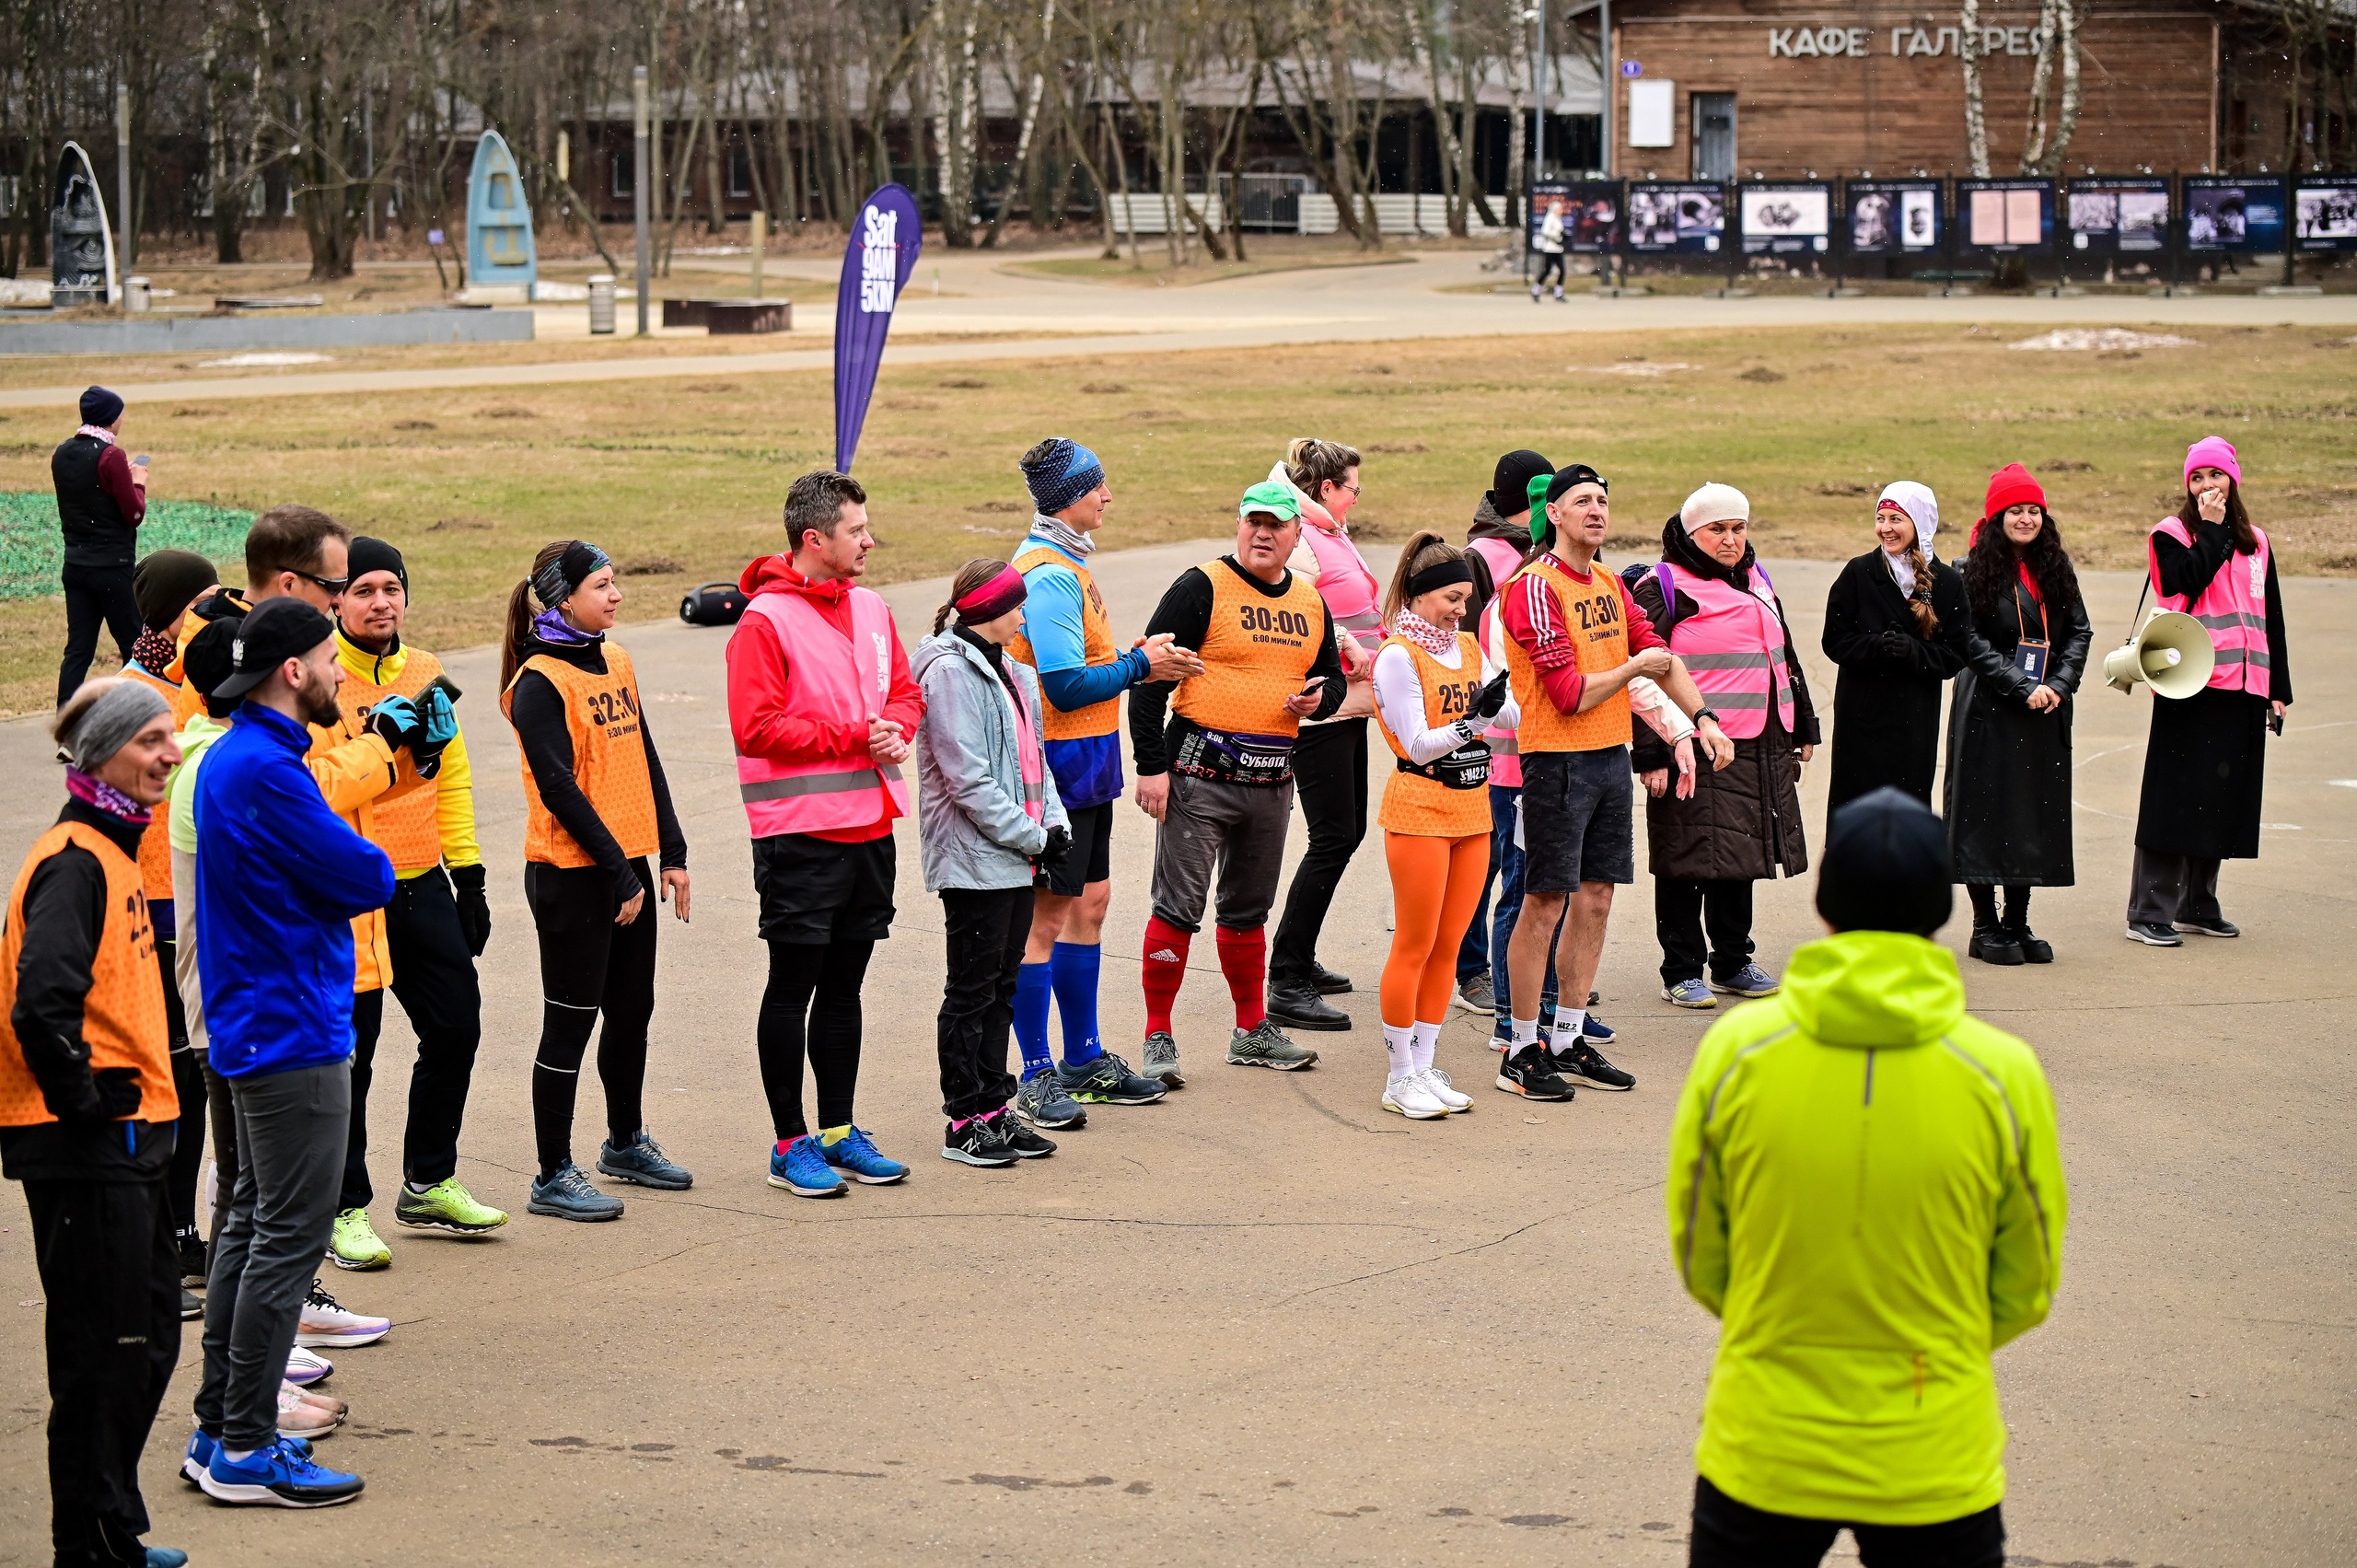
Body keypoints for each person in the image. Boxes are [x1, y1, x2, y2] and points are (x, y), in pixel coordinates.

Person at [1666, 787, 2067, 1568]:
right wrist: (1934, 1341)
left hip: (1768, 1442)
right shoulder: (2002, 1073)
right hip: (1935, 1448)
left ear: (1823, 904)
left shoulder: (1737, 1051)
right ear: (1941, 911)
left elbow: (1702, 1253)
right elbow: (2026, 1283)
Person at [189, 596, 397, 1508]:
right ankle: (242, 1442)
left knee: (248, 1223)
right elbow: (366, 874)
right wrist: (346, 858)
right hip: (287, 1026)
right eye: (328, 657)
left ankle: (220, 1426)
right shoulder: (268, 768)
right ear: (292, 672)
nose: (343, 671)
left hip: (257, 1017)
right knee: (283, 1234)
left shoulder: (247, 755)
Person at [2, 679, 191, 1568]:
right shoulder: (74, 859)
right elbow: (42, 1002)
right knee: (98, 1353)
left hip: (133, 1135)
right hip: (86, 1146)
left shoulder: (116, 848)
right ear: (105, 751)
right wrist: (85, 1100)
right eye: (152, 739)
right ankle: (83, 1543)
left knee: (148, 1334)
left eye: (172, 737)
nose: (170, 754)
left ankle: (112, 1520)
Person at [1498, 464, 1730, 1099]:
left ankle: (1568, 1037)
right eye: (1583, 501)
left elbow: (1662, 653)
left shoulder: (1605, 579)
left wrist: (1703, 718)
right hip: (1556, 760)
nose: (1598, 510)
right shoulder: (1534, 587)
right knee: (1545, 902)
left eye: (1604, 499)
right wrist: (1634, 668)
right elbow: (1568, 693)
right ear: (1555, 515)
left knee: (1597, 899)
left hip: (1608, 758)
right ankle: (1520, 1048)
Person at [727, 470, 920, 1200]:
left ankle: (840, 1131)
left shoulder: (872, 606)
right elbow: (756, 726)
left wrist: (899, 729)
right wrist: (854, 736)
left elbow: (904, 690)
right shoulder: (763, 621)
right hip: (799, 833)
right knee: (793, 987)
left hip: (870, 824)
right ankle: (789, 1142)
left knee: (845, 988)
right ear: (815, 539)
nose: (869, 540)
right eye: (856, 530)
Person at [1004, 438, 1201, 1114]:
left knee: (1090, 904)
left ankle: (1083, 1054)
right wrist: (1143, 667)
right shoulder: (1051, 573)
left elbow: (1084, 662)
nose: (1108, 495)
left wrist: (1133, 654)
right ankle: (1035, 1070)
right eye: (1098, 486)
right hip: (1058, 770)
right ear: (1069, 497)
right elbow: (1062, 684)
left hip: (1088, 767)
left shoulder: (1068, 561)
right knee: (1046, 918)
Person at [326, 538, 506, 1264]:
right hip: (345, 888)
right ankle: (343, 1206)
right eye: (364, 589)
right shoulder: (315, 675)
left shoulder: (426, 669)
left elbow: (452, 778)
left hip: (420, 879)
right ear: (336, 599)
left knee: (457, 1025)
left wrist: (470, 877)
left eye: (391, 588)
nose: (380, 602)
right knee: (353, 1054)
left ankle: (428, 1180)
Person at [1129, 482, 1347, 1078]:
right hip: (1197, 776)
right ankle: (1158, 1036)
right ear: (1239, 525)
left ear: (1297, 535)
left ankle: (1250, 1029)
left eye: (1276, 525)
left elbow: (1332, 674)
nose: (1262, 533)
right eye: (1253, 521)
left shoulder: (1308, 602)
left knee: (1248, 911)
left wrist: (1322, 696)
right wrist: (1151, 767)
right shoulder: (1201, 586)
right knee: (1178, 907)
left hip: (1272, 782)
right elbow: (1148, 677)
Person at [503, 540, 693, 1221]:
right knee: (569, 1024)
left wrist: (669, 851)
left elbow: (644, 755)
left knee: (632, 1012)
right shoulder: (538, 682)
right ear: (563, 597)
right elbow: (560, 791)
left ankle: (624, 1141)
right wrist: (618, 874)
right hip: (572, 877)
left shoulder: (615, 656)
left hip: (627, 869)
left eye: (615, 583)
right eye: (603, 585)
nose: (615, 595)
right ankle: (552, 1171)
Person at [1631, 484, 1820, 1010]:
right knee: (1685, 854)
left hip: (1758, 740)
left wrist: (1802, 725)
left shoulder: (1758, 579)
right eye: (1718, 530)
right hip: (1690, 744)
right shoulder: (1663, 586)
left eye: (1739, 528)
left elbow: (1783, 654)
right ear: (1691, 534)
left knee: (1742, 852)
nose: (1731, 540)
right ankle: (1682, 967)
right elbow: (1644, 673)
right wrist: (1653, 753)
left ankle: (1733, 961)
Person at [912, 560, 1069, 1167]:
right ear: (986, 608)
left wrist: (1053, 827)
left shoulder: (1013, 671)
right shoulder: (951, 671)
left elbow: (1036, 761)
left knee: (1003, 986)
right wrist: (1034, 836)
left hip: (1018, 853)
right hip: (977, 859)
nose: (1024, 615)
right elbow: (967, 780)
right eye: (1016, 605)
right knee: (972, 989)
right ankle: (964, 1119)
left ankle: (995, 1108)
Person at [2126, 437, 2293, 946]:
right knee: (2173, 796)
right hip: (2190, 681)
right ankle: (2149, 909)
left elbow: (2272, 619)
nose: (2206, 487)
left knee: (2221, 796)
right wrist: (2214, 530)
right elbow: (2183, 584)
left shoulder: (2257, 541)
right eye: (2197, 479)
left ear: (2232, 480)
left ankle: (2198, 904)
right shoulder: (2170, 534)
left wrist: (2278, 689)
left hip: (2245, 685)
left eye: (2214, 476)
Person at [1367, 534, 1510, 1119]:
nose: (1460, 609)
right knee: (1415, 943)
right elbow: (1420, 745)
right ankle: (1399, 1075)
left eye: (1467, 599)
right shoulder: (1398, 655)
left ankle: (1425, 1064)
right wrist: (1474, 720)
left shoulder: (1472, 646)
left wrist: (1520, 703)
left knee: (1449, 945)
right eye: (1452, 598)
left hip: (1472, 813)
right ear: (1422, 596)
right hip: (1420, 811)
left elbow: (1510, 713)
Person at [119, 548, 218, 1310]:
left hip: (192, 911)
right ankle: (156, 1241)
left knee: (192, 1083)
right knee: (164, 1086)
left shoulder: (203, 684)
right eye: (207, 601)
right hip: (145, 918)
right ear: (174, 612)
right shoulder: (130, 697)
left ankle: (183, 1235)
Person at [1944, 466, 2092, 966]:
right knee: (1986, 813)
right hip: (1988, 707)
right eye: (2015, 510)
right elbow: (1966, 640)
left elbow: (2079, 632)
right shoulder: (1970, 569)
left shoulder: (2056, 566)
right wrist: (2019, 683)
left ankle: (2017, 921)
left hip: (2044, 707)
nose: (2026, 518)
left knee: (2031, 812)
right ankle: (1985, 926)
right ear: (1996, 516)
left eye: (2033, 510)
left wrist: (2058, 685)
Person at [1266, 437, 1382, 1033]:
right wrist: (1348, 647)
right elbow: (1300, 603)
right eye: (1352, 489)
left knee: (1346, 830)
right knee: (1335, 834)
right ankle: (1286, 977)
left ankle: (1298, 954)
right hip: (1321, 709)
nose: (1356, 500)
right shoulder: (1304, 537)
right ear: (1327, 488)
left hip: (1350, 703)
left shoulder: (1328, 530)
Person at [1461, 450, 1561, 1033]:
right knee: (1489, 859)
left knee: (1517, 863)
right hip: (1491, 738)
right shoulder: (1486, 559)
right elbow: (1473, 653)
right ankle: (1474, 968)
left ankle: (1532, 980)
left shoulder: (1537, 553)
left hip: (1537, 746)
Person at [1820, 482, 1968, 824]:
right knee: (1856, 814)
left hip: (1913, 721)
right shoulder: (1859, 573)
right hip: (1861, 719)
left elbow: (1956, 654)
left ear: (1920, 523)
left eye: (1896, 519)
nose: (1885, 528)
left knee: (1904, 818)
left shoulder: (1946, 582)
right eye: (1880, 518)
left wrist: (1914, 652)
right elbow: (1835, 640)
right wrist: (1877, 646)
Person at [53, 386, 150, 712]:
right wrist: (138, 481)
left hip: (75, 564)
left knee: (78, 650)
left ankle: (67, 729)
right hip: (112, 566)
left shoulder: (61, 452)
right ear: (111, 417)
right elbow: (133, 514)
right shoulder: (112, 456)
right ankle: (131, 720)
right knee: (134, 646)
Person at [1530, 196, 1569, 303]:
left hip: (1558, 249)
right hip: (1550, 249)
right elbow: (1545, 231)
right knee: (1547, 270)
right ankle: (1536, 290)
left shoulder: (1558, 219)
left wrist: (1564, 236)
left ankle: (1558, 293)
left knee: (1562, 270)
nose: (1561, 211)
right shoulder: (1550, 217)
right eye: (1560, 209)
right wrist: (1557, 236)